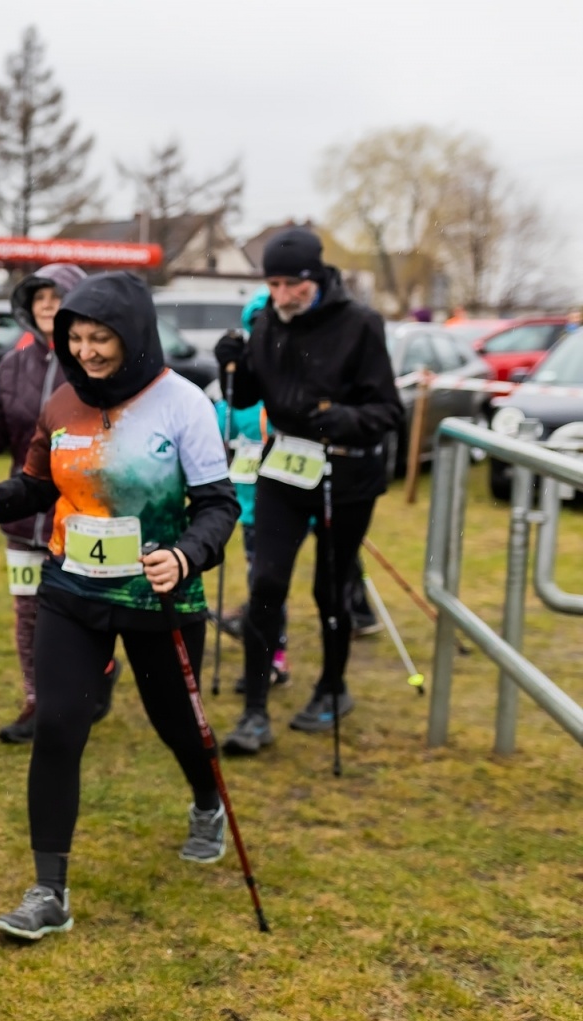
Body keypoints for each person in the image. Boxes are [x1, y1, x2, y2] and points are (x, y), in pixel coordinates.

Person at [0, 271, 240, 940]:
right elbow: (36, 487)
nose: (90, 350)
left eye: (102, 337)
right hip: (73, 590)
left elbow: (219, 506)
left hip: (157, 594)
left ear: (135, 336)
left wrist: (185, 554)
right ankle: (49, 891)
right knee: (58, 724)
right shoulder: (63, 403)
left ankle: (207, 801)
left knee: (176, 723)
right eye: (76, 337)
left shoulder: (182, 403)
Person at [214, 228, 402, 755]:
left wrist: (340, 418)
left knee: (330, 588)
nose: (280, 295)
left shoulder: (360, 325)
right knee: (266, 582)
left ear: (314, 278)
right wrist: (232, 360)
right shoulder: (270, 321)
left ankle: (332, 687)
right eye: (272, 283)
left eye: (290, 283)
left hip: (345, 475)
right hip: (286, 468)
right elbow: (249, 391)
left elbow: (388, 412)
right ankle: (254, 710)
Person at [0, 263, 121, 744]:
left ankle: (100, 670)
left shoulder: (93, 363)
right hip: (24, 513)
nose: (45, 303)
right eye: (37, 296)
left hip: (85, 516)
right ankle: (38, 701)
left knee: (87, 611)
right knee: (28, 612)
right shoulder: (13, 365)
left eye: (55, 295)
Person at [213, 288, 291, 692]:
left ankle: (275, 657)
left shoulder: (292, 375)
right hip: (247, 503)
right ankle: (269, 652)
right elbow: (219, 426)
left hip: (288, 500)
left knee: (272, 582)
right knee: (258, 580)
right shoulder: (236, 382)